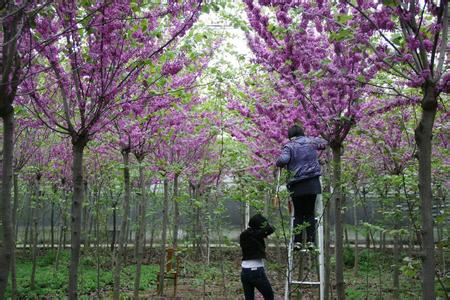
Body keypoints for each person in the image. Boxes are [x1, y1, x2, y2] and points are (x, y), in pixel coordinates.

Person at [276, 125, 327, 246]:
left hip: (297, 184)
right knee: (310, 212)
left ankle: (297, 242)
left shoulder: (289, 145)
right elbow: (324, 144)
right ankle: (310, 241)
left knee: (298, 213)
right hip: (312, 183)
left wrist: (278, 162)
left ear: (290, 135)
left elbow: (283, 160)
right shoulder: (311, 141)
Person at [239, 213, 276, 300]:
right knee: (269, 295)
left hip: (244, 271)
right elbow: (270, 229)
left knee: (249, 298)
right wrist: (265, 225)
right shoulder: (254, 234)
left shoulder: (244, 234)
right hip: (255, 271)